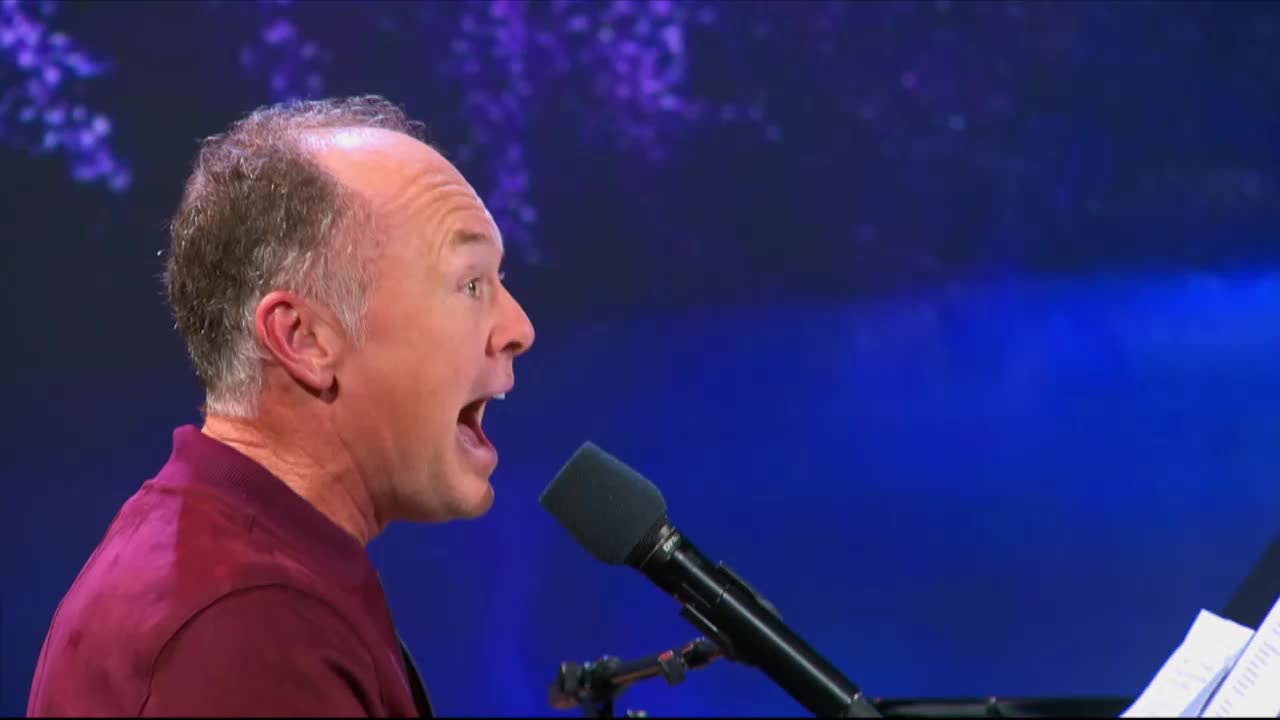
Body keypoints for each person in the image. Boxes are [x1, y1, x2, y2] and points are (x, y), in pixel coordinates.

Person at [27, 95, 536, 717]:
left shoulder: (248, 573)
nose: (518, 328)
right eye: (471, 284)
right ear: (303, 339)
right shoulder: (239, 627)